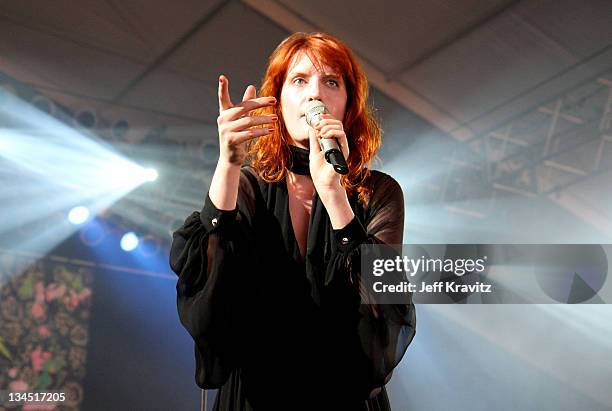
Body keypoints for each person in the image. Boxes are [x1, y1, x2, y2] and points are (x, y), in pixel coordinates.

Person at [170, 32, 416, 410]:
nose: (314, 94)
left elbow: (384, 311)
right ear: (278, 101)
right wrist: (229, 164)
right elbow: (209, 303)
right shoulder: (250, 186)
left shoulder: (378, 192)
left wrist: (333, 194)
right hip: (257, 394)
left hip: (341, 394)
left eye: (331, 82)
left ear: (348, 105)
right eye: (299, 81)